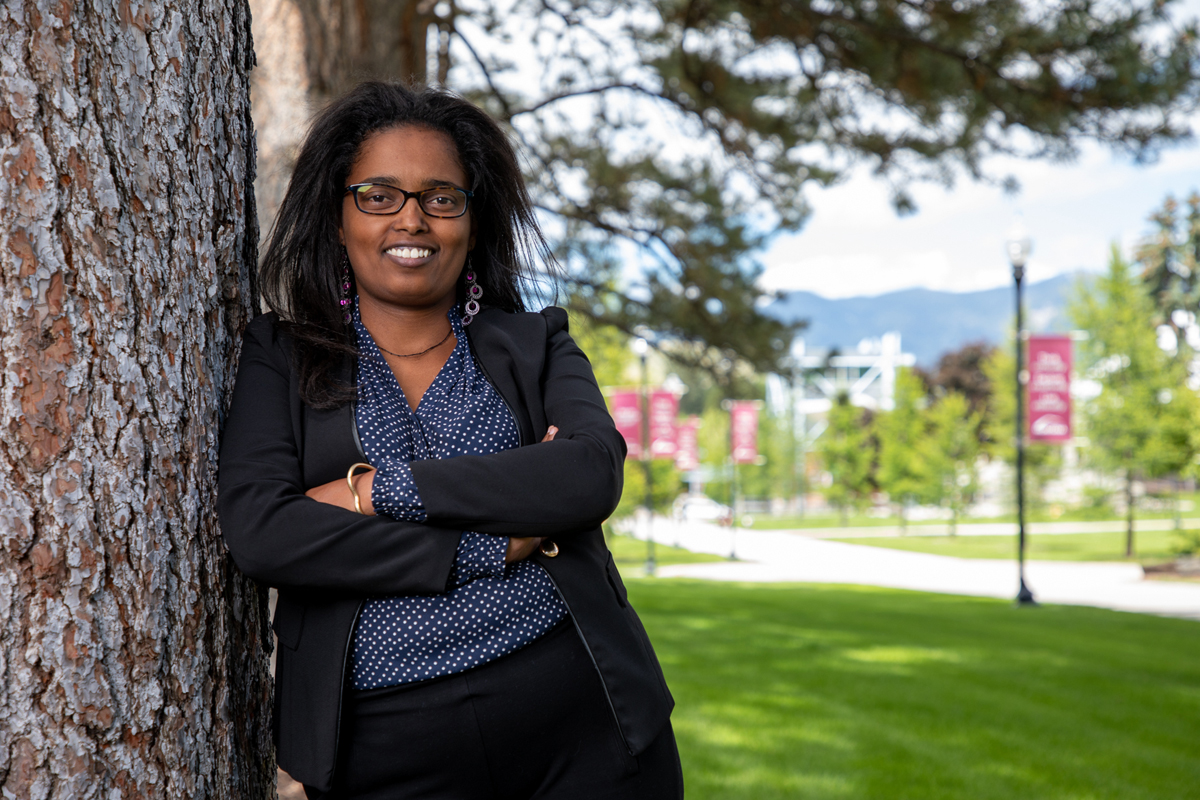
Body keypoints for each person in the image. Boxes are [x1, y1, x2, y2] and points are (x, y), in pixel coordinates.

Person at [217, 81, 682, 799]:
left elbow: (588, 475)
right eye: (379, 195)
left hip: (585, 730)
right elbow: (265, 533)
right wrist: (487, 541)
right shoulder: (280, 356)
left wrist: (374, 492)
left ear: (470, 218)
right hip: (384, 752)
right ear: (338, 218)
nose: (413, 219)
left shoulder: (534, 345)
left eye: (442, 197)